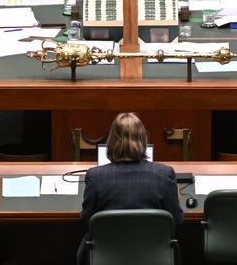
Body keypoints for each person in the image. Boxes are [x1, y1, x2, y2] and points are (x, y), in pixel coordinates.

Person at [78, 112, 183, 264]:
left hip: (107, 257)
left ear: (112, 141)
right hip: (154, 256)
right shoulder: (165, 174)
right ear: (143, 139)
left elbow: (87, 221)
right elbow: (177, 221)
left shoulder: (96, 176)